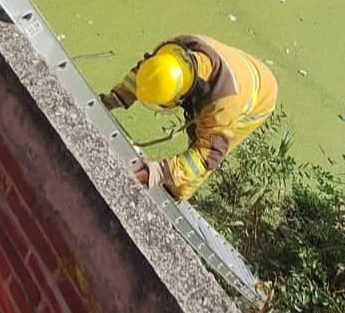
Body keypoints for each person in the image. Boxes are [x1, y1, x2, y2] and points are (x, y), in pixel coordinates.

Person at [100, 35, 278, 201]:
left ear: (180, 95)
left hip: (258, 97)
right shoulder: (168, 54)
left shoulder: (223, 104)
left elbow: (208, 154)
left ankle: (177, 194)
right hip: (236, 66)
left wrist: (159, 172)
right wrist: (113, 99)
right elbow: (143, 78)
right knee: (197, 129)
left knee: (195, 158)